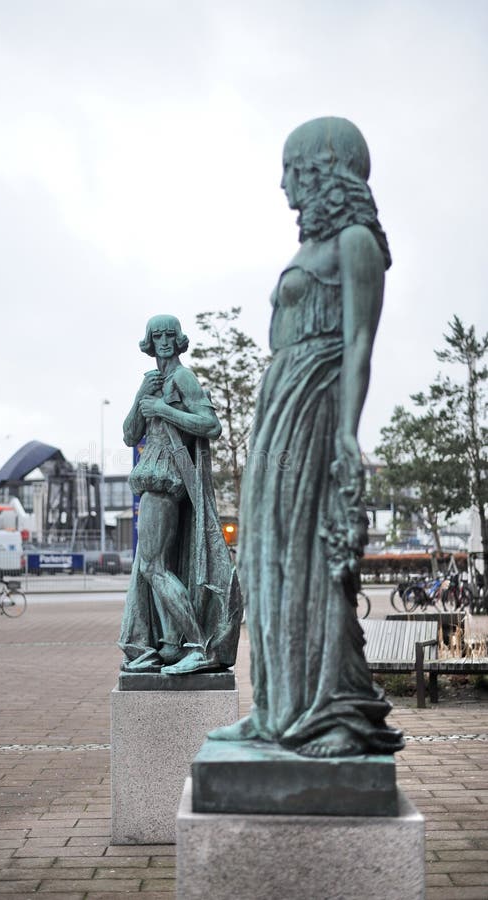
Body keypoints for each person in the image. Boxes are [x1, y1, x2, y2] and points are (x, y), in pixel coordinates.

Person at [210, 117, 403, 757]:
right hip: (279, 408)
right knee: (263, 557)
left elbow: (360, 341)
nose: (284, 184)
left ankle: (330, 714)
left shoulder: (356, 243)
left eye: (292, 170)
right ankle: (273, 711)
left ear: (324, 171)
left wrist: (347, 431)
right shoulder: (311, 247)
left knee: (308, 557)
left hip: (316, 407)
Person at [119, 314, 241, 675]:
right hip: (153, 480)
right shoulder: (152, 382)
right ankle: (168, 646)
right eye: (156, 336)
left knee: (152, 567)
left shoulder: (183, 378)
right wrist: (142, 397)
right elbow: (130, 435)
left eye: (169, 335)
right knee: (154, 567)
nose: (163, 341)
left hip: (166, 481)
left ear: (178, 339)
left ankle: (198, 645)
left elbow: (211, 425)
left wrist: (163, 409)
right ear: (149, 342)